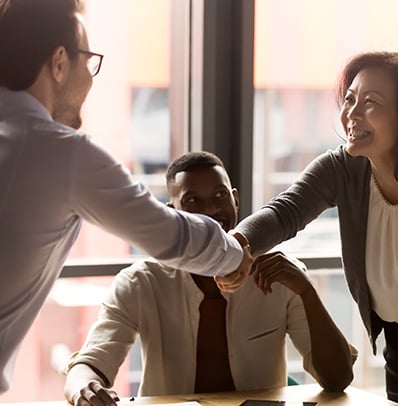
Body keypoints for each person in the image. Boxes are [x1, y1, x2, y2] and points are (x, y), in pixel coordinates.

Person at [0, 0, 251, 394]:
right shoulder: (60, 153)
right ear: (59, 62)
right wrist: (232, 255)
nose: (90, 78)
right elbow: (169, 234)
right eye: (88, 60)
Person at [220, 51, 398, 405]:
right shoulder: (344, 168)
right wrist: (237, 244)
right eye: (350, 99)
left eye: (371, 102)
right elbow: (284, 212)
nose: (352, 113)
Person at [63, 151, 356, 405]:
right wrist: (83, 387)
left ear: (236, 200)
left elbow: (338, 379)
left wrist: (306, 291)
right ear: (171, 212)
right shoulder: (140, 283)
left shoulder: (280, 276)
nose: (210, 211)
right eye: (192, 201)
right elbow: (90, 363)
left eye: (220, 197)